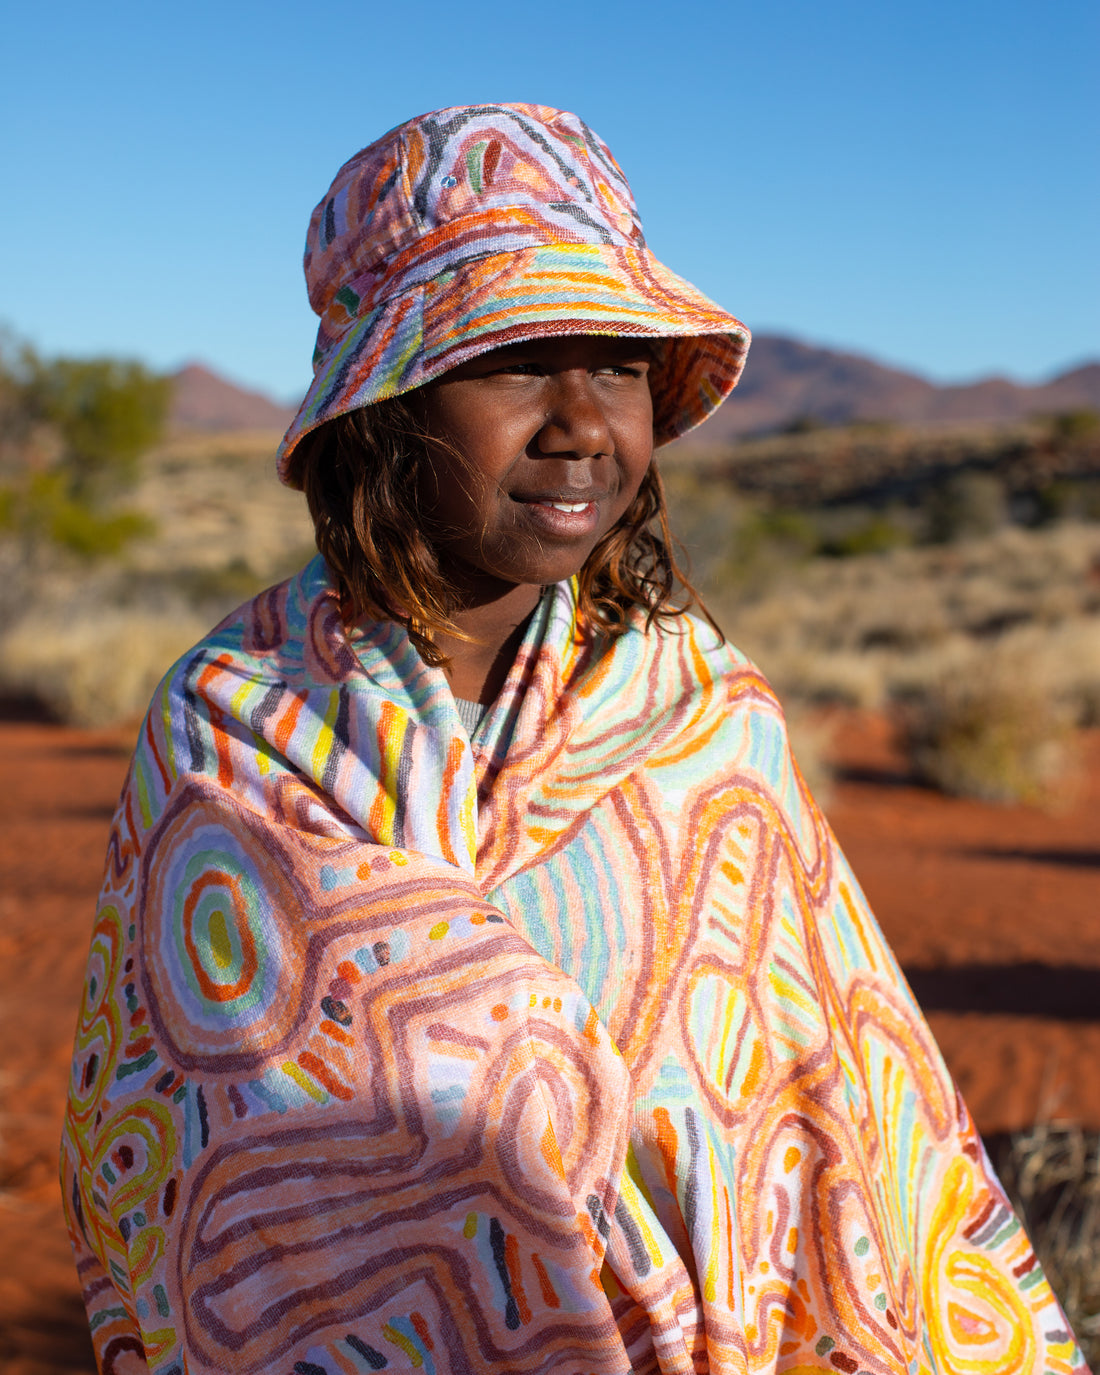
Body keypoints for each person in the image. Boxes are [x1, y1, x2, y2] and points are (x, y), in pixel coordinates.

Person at [61, 103, 1086, 1375]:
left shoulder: (703, 718)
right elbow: (186, 1176)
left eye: (614, 364)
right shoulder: (231, 731)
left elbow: (846, 1111)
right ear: (385, 404)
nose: (579, 421)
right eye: (510, 361)